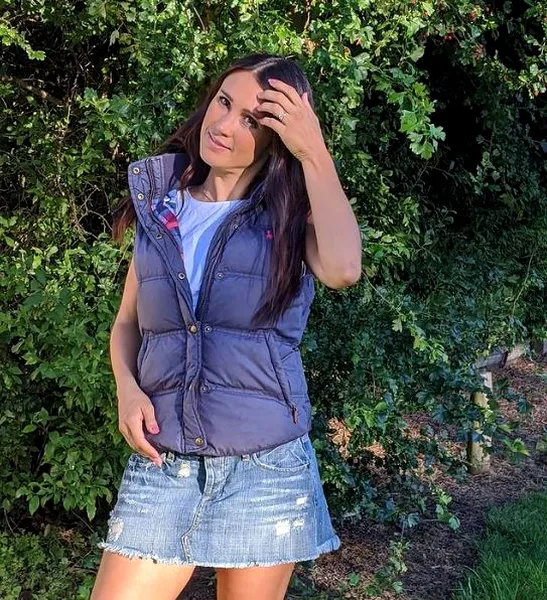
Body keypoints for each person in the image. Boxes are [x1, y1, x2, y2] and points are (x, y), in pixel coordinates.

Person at [91, 53, 362, 600]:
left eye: (251, 120)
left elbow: (342, 269)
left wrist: (314, 150)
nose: (223, 125)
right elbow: (127, 323)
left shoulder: (292, 216)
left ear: (277, 140)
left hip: (266, 471)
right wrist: (126, 389)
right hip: (163, 462)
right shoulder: (160, 209)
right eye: (223, 102)